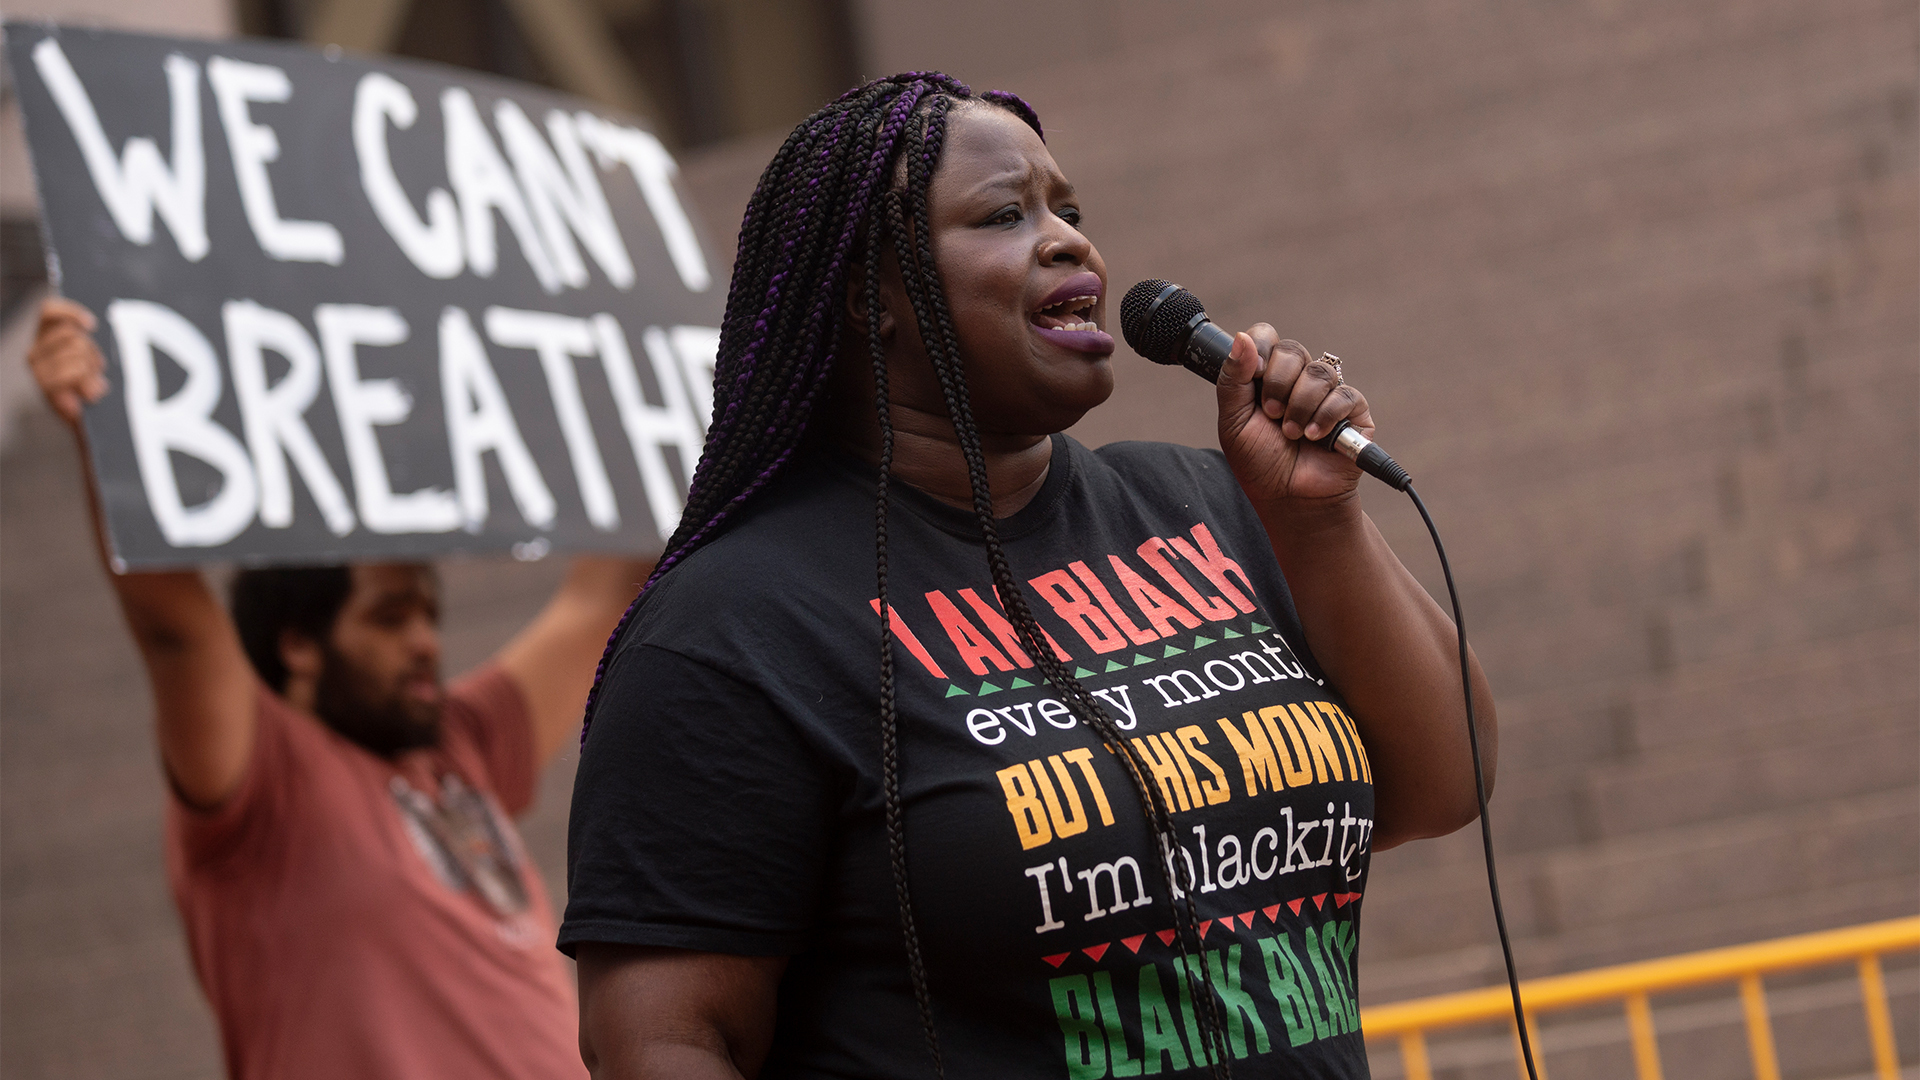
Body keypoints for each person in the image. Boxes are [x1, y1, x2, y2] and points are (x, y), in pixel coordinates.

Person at [563, 73, 1497, 1080]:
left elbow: (1443, 783)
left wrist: (1319, 524)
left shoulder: (1202, 504)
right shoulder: (732, 631)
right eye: (1006, 215)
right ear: (865, 296)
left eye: (1071, 211)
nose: (1069, 242)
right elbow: (661, 1040)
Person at [28, 297, 652, 1080]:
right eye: (390, 617)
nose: (426, 640)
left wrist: (666, 379)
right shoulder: (266, 784)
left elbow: (608, 591)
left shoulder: (462, 745)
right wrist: (102, 430)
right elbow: (176, 631)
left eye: (427, 613)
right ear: (300, 646)